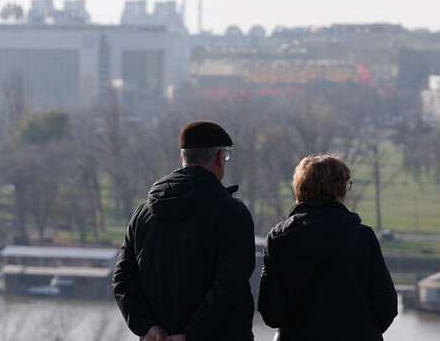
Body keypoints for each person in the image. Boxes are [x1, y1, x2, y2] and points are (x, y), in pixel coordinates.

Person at [113, 120, 255, 341]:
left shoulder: (142, 215)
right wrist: (192, 335)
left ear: (182, 158)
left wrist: (148, 327)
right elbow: (229, 286)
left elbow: (123, 280)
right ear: (219, 157)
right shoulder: (232, 215)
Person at [258, 153, 398, 340]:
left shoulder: (279, 239)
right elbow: (386, 305)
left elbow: (271, 311)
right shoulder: (362, 237)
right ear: (339, 190)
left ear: (299, 189)